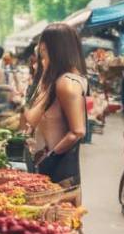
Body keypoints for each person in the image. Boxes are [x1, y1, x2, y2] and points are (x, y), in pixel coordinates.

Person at [24, 24, 88, 184]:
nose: (41, 60)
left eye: (44, 53)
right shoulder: (57, 81)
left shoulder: (67, 83)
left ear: (57, 51)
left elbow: (78, 131)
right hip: (49, 169)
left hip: (58, 174)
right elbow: (31, 118)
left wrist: (49, 158)